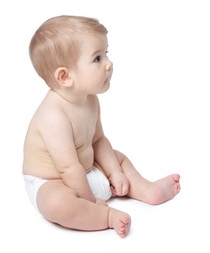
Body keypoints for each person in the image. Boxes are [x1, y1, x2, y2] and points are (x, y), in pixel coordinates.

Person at [23, 15, 181, 238]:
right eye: (97, 58)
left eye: (106, 53)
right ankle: (104, 217)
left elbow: (98, 141)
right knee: (56, 203)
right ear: (65, 76)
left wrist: (115, 172)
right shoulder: (53, 116)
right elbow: (68, 168)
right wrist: (90, 201)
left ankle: (147, 190)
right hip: (54, 180)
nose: (109, 63)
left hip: (85, 170)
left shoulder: (90, 100)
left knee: (118, 157)